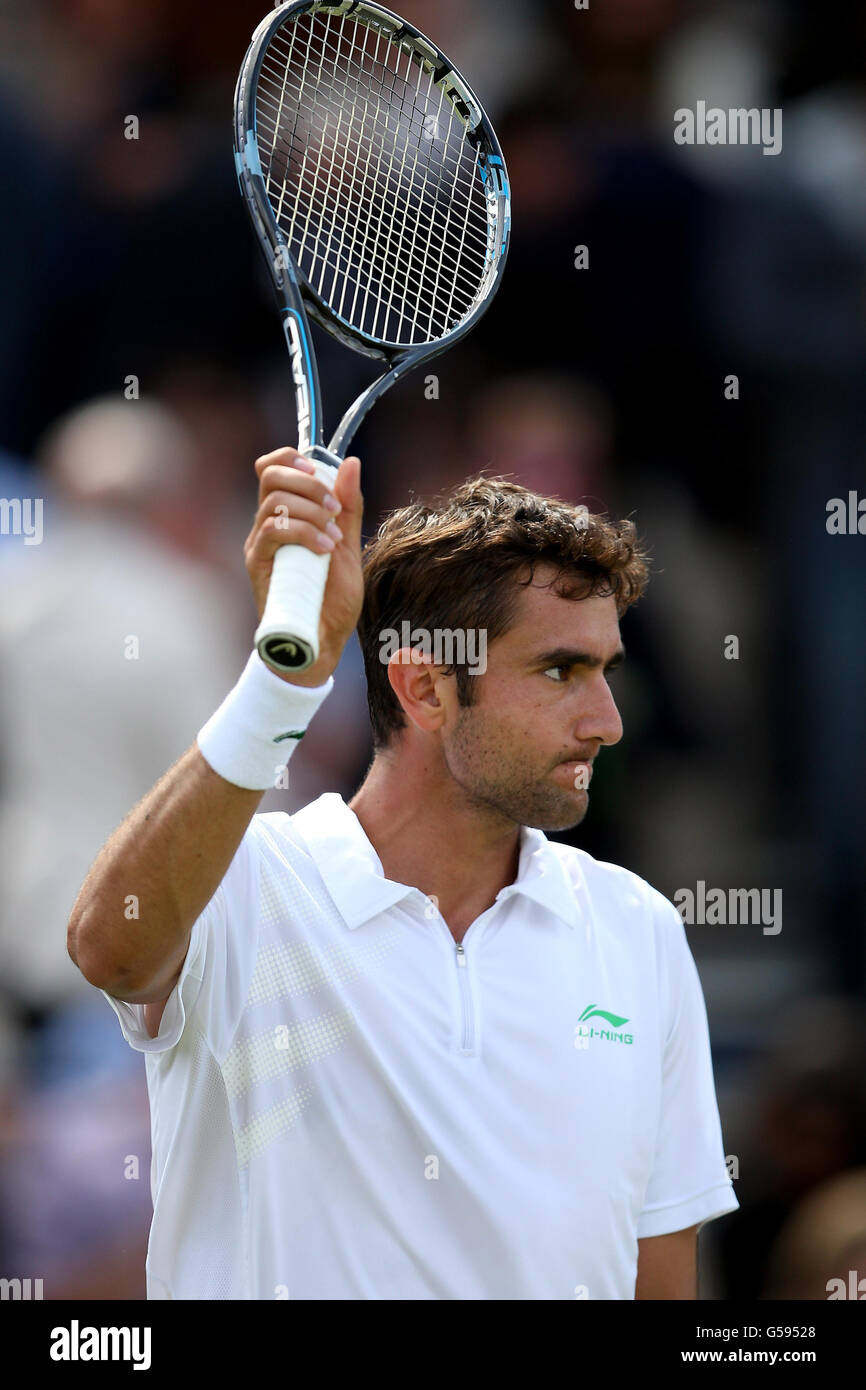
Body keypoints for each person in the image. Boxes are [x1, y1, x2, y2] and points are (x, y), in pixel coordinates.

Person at [67, 448, 738, 1300]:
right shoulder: (243, 882)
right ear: (424, 689)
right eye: (560, 671)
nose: (606, 722)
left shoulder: (637, 926)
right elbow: (106, 950)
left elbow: (663, 1287)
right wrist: (282, 685)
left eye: (606, 671)